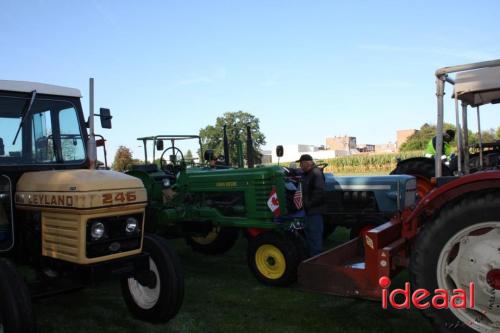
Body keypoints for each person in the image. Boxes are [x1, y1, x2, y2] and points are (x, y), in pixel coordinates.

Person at [297, 154, 326, 256]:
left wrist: (307, 204)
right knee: (309, 236)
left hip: (314, 211)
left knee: (315, 236)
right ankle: (312, 258)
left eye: (301, 164)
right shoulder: (307, 173)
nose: (300, 166)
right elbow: (297, 172)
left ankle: (317, 260)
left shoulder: (316, 173)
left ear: (306, 163)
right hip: (308, 211)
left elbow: (319, 193)